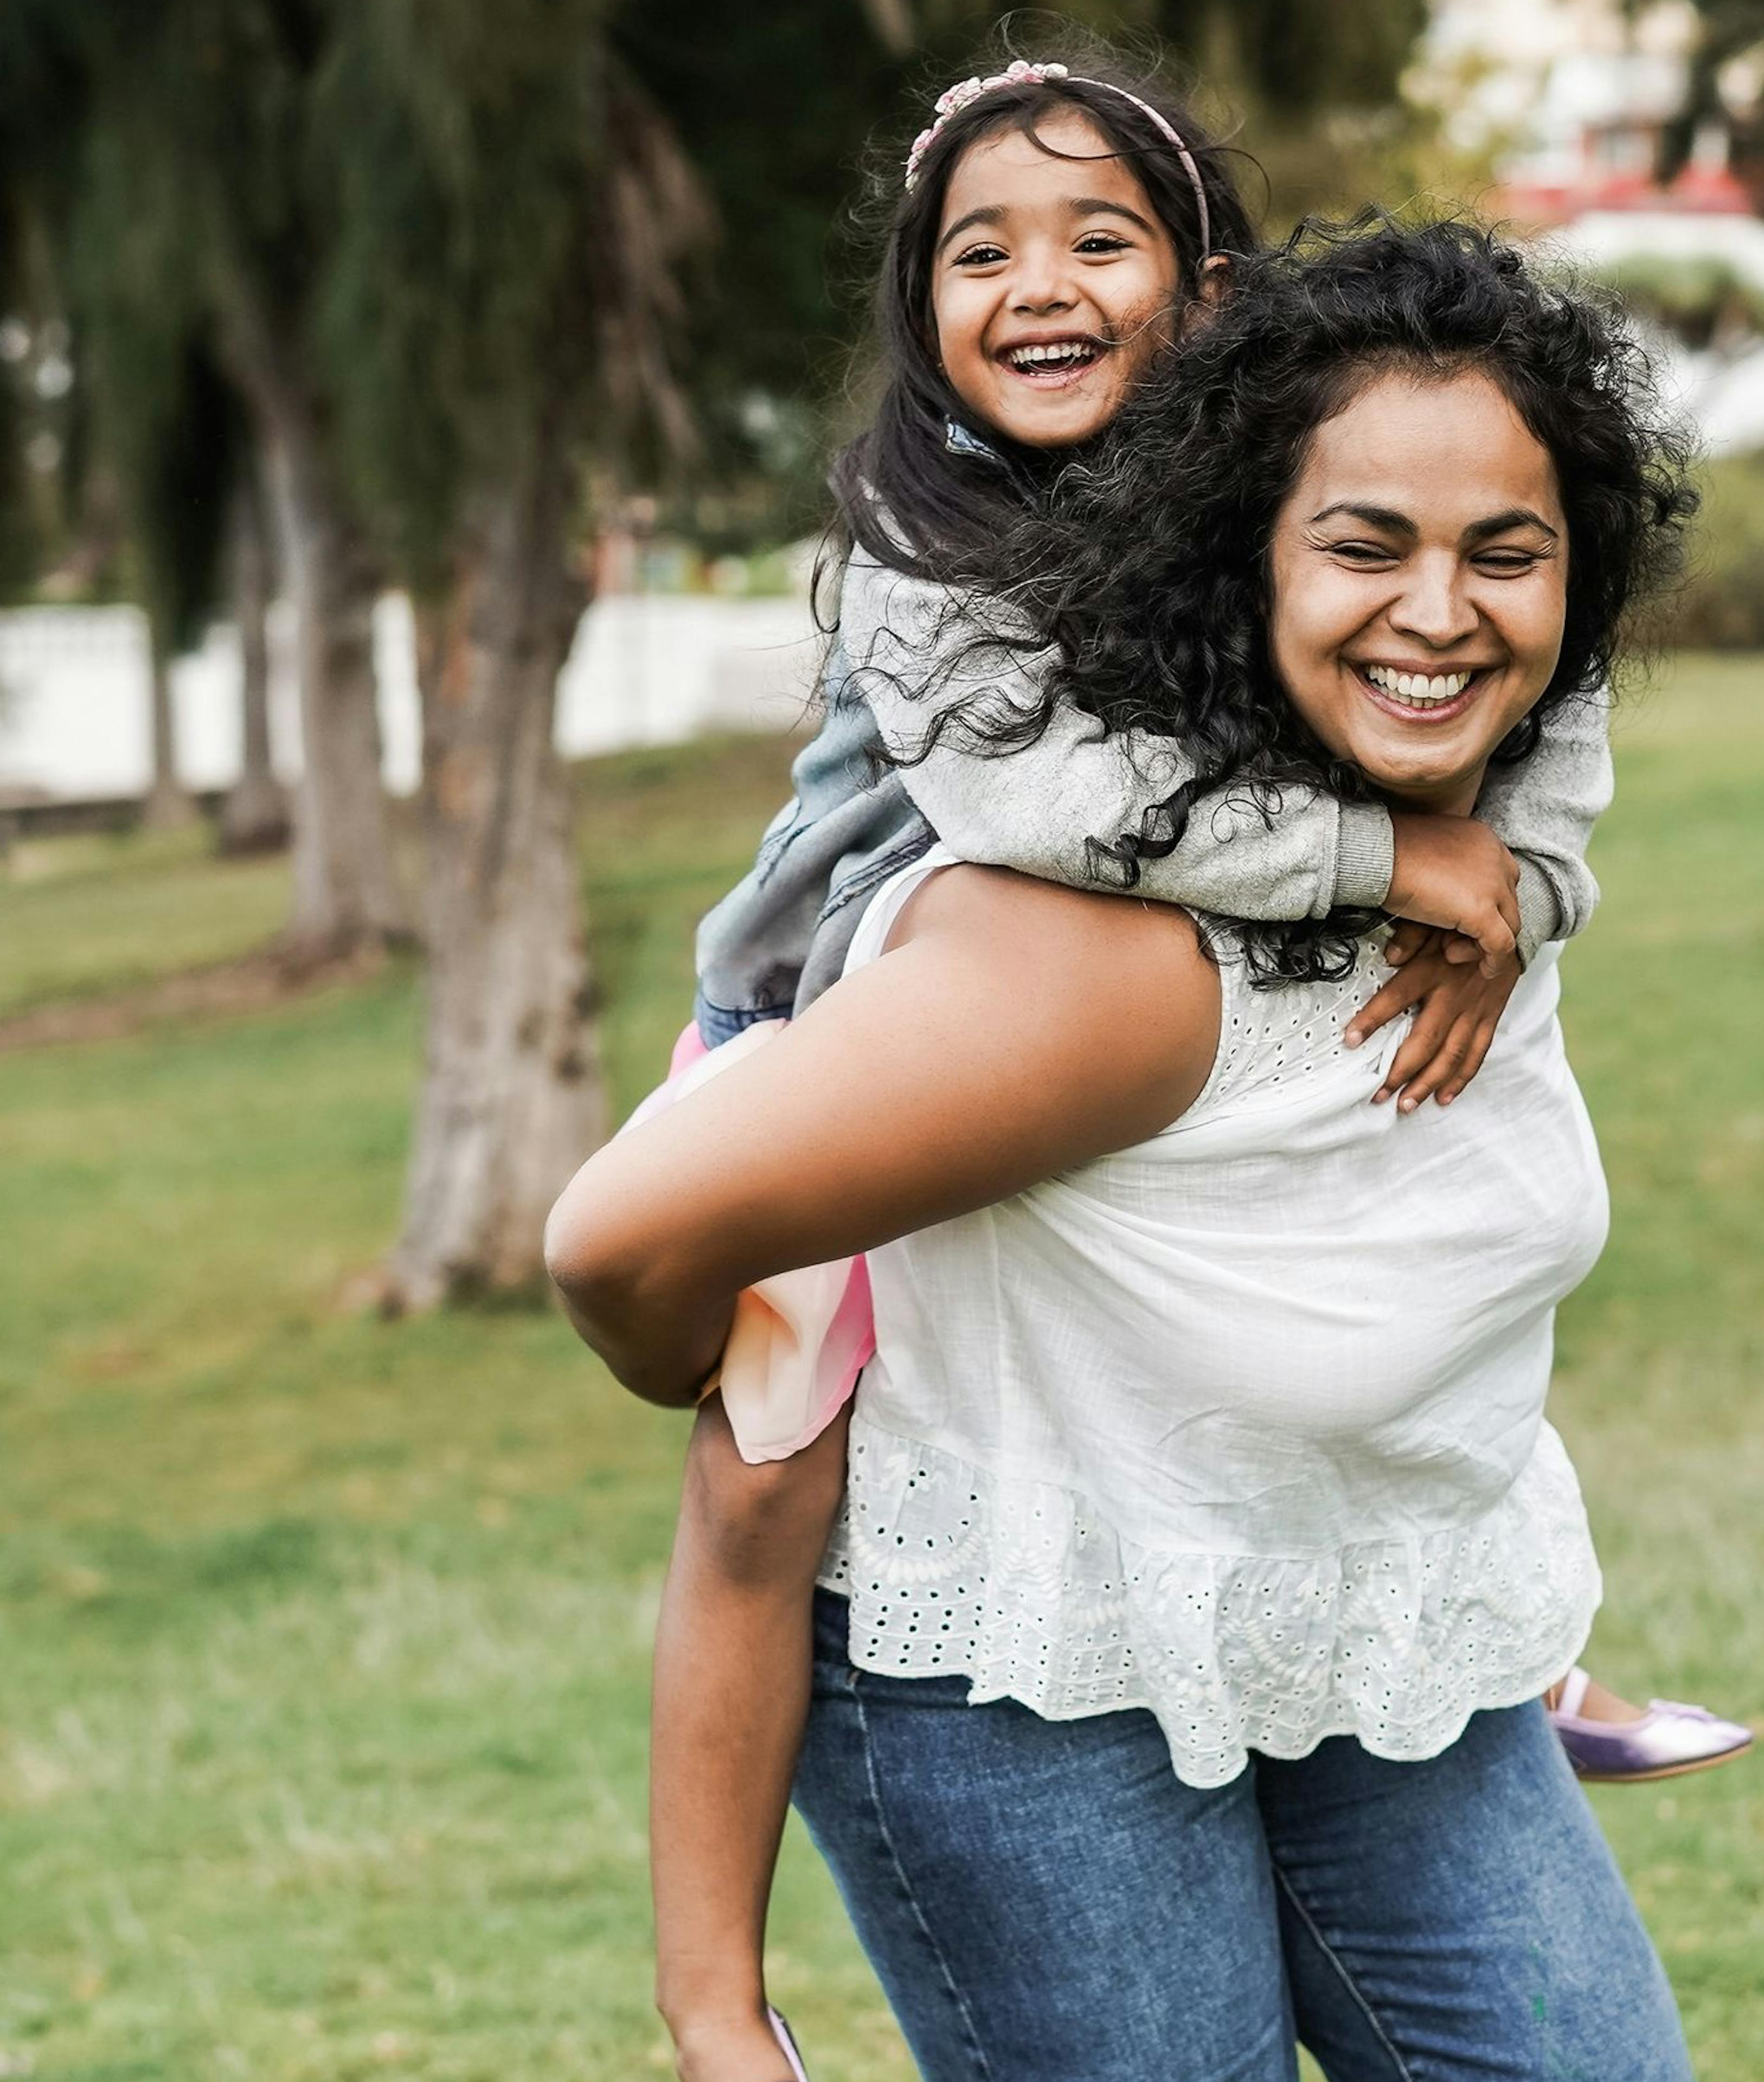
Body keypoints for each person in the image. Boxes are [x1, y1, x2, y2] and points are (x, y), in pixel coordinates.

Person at [550, 215, 1703, 2078]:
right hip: (1028, 1677)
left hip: (1367, 1628)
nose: (1441, 612)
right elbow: (618, 1235)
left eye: (1510, 551)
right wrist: (730, 1363)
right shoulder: (1098, 964)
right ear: (1237, 548)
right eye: (1360, 546)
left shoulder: (1483, 842)